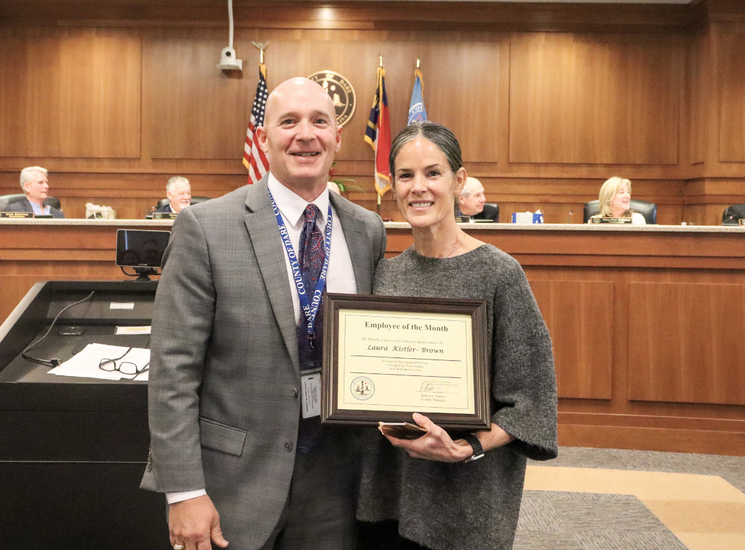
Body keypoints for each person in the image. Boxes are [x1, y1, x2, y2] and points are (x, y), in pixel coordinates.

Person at [141, 77, 387, 550]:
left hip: (334, 482)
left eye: (320, 121)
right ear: (263, 138)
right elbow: (172, 370)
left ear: (338, 136)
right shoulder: (206, 227)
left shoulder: (366, 230)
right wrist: (184, 491)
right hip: (231, 481)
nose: (305, 135)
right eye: (288, 122)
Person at [356, 122, 557, 550]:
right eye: (406, 176)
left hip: (468, 495)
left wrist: (469, 448)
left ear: (458, 181)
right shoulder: (383, 275)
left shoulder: (500, 274)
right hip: (389, 489)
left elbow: (532, 400)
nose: (419, 188)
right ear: (393, 186)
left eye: (433, 173)